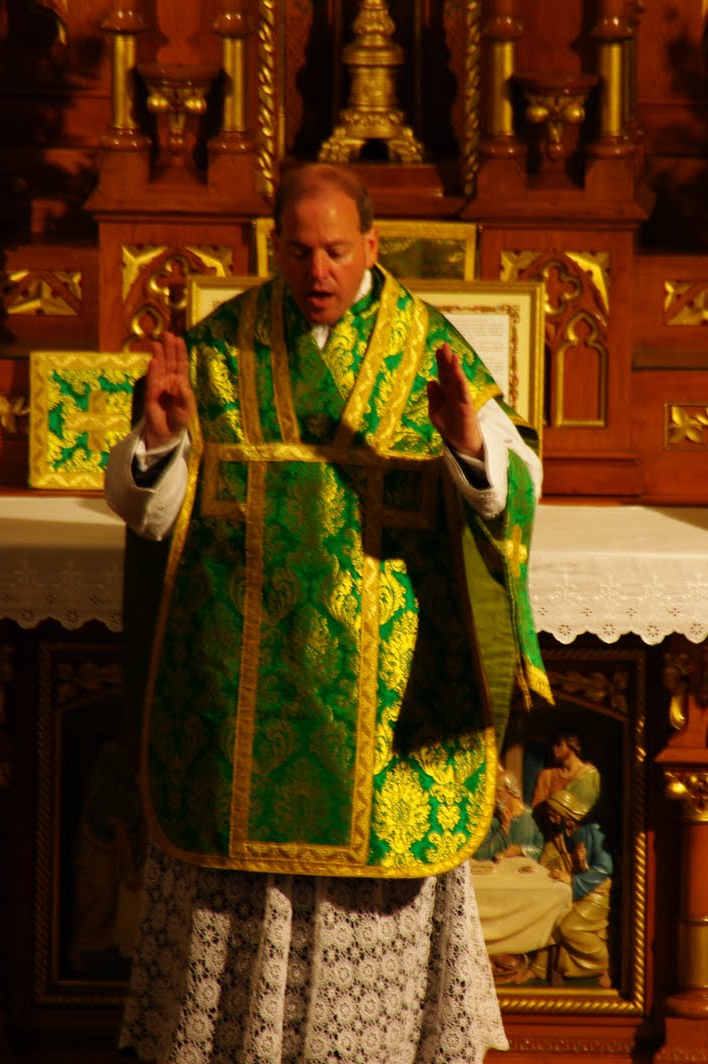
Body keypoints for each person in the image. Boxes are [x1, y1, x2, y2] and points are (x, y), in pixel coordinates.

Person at [104, 161, 550, 1064]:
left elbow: (515, 491)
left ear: (373, 246)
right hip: (242, 683)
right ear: (275, 248)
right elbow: (150, 513)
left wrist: (467, 445)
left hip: (382, 707)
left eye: (338, 251)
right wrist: (157, 440)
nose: (319, 272)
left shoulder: (428, 351)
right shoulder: (218, 351)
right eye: (301, 252)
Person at [537, 787, 613, 987]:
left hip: (595, 894)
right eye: (550, 815)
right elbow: (552, 857)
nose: (552, 819)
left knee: (568, 927)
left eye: (554, 814)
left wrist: (572, 879)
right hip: (574, 892)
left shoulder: (593, 832)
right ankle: (542, 968)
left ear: (565, 812)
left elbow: (604, 869)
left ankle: (602, 963)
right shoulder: (564, 834)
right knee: (549, 917)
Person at [529, 730, 601, 823]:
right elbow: (536, 808)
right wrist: (550, 812)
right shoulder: (547, 775)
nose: (554, 748)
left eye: (559, 744)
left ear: (572, 746)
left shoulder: (590, 775)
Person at [473, 772, 544, 863]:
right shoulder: (493, 820)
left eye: (499, 793)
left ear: (511, 791)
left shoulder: (533, 817)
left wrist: (520, 850)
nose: (495, 799)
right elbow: (479, 855)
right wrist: (504, 829)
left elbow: (542, 850)